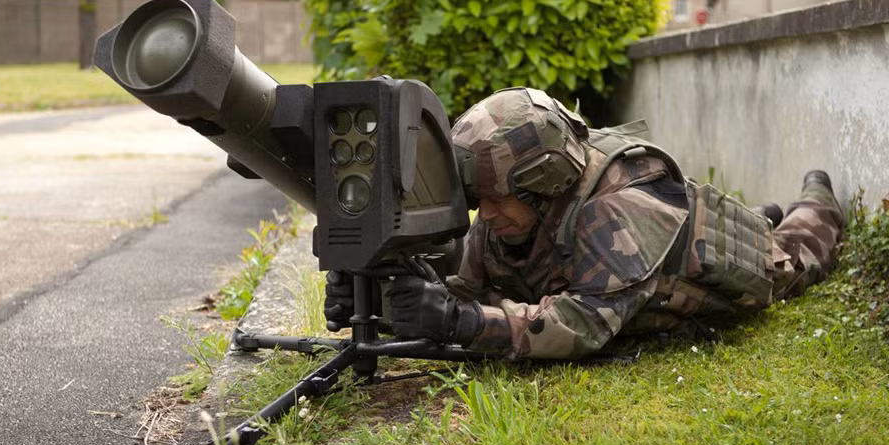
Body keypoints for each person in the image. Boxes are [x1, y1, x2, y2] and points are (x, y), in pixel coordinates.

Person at [325, 87, 844, 360]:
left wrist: (458, 324)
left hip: (717, 262)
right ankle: (764, 211)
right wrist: (389, 304)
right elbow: (469, 289)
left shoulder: (616, 207)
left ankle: (813, 201)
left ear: (544, 183)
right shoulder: (510, 209)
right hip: (647, 245)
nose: (485, 215)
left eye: (497, 200)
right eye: (478, 200)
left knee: (793, 252)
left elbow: (583, 324)